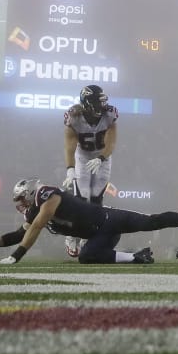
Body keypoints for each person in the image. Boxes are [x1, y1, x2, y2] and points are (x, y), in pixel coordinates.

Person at [0, 178, 178, 264]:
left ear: (29, 193)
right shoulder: (32, 212)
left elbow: (37, 226)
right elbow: (18, 234)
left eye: (20, 198)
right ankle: (136, 256)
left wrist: (16, 256)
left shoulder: (46, 195)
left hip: (110, 219)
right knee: (87, 256)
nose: (20, 204)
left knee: (152, 222)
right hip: (100, 234)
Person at [60, 85, 119, 258]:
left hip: (103, 157)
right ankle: (71, 236)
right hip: (83, 156)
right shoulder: (74, 117)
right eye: (98, 101)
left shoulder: (110, 114)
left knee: (96, 199)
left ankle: (88, 236)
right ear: (88, 102)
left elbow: (111, 142)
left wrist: (101, 158)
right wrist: (70, 169)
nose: (102, 105)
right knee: (80, 198)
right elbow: (69, 146)